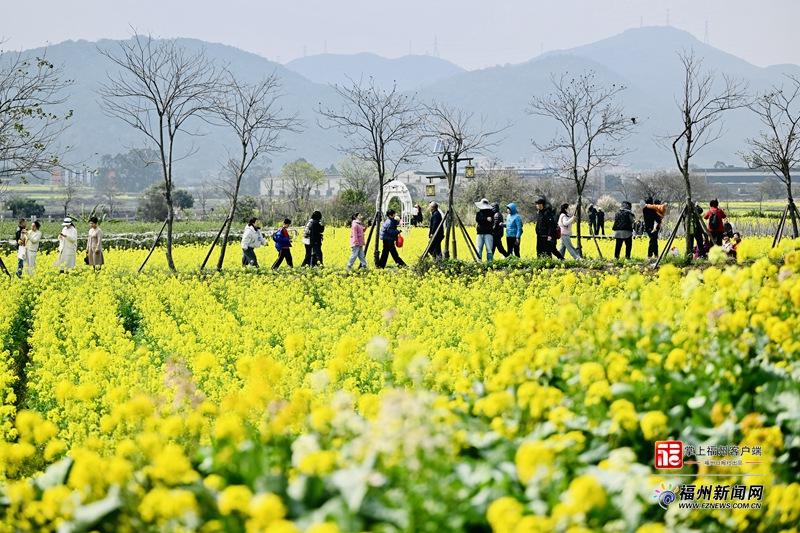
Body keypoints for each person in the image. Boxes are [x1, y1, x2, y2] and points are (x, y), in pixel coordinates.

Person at [474, 198, 495, 262]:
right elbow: (478, 219)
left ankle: (490, 262)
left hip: (488, 233)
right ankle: (478, 262)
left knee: (489, 249)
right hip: (480, 233)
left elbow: (491, 221)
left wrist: (485, 220)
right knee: (478, 248)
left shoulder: (491, 213)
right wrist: (486, 219)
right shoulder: (479, 213)